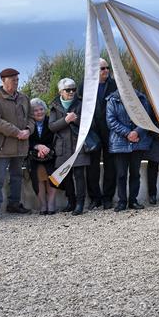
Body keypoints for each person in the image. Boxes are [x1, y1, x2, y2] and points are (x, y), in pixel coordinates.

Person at [0, 68, 34, 220]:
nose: (16, 82)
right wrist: (16, 132)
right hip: (2, 147)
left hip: (20, 146)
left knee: (17, 176)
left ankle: (14, 204)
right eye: (13, 79)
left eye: (17, 79)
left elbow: (31, 118)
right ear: (3, 80)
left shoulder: (24, 98)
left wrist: (28, 130)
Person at [49, 78, 93, 215]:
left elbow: (90, 124)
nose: (72, 92)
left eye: (74, 89)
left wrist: (76, 120)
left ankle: (80, 203)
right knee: (66, 176)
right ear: (60, 91)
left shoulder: (81, 104)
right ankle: (71, 202)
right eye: (68, 89)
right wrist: (66, 120)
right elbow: (51, 126)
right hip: (62, 146)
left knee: (79, 175)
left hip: (78, 145)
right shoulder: (54, 106)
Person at [107, 88, 153, 211]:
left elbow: (146, 118)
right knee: (121, 174)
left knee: (135, 174)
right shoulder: (112, 100)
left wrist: (137, 132)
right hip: (120, 143)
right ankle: (122, 202)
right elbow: (111, 121)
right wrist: (128, 133)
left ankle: (133, 201)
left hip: (138, 142)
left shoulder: (142, 98)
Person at [79, 58, 115, 209]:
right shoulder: (85, 85)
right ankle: (95, 198)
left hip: (110, 129)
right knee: (92, 166)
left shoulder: (114, 84)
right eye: (102, 68)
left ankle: (108, 198)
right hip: (92, 130)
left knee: (111, 165)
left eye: (107, 68)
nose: (105, 70)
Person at [28, 98, 57, 214]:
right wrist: (38, 147)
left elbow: (56, 138)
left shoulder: (51, 122)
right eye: (36, 110)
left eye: (41, 109)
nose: (39, 112)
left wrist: (46, 149)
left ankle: (51, 204)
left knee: (52, 178)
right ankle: (43, 206)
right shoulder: (28, 125)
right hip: (34, 156)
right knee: (39, 177)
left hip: (51, 155)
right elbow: (27, 140)